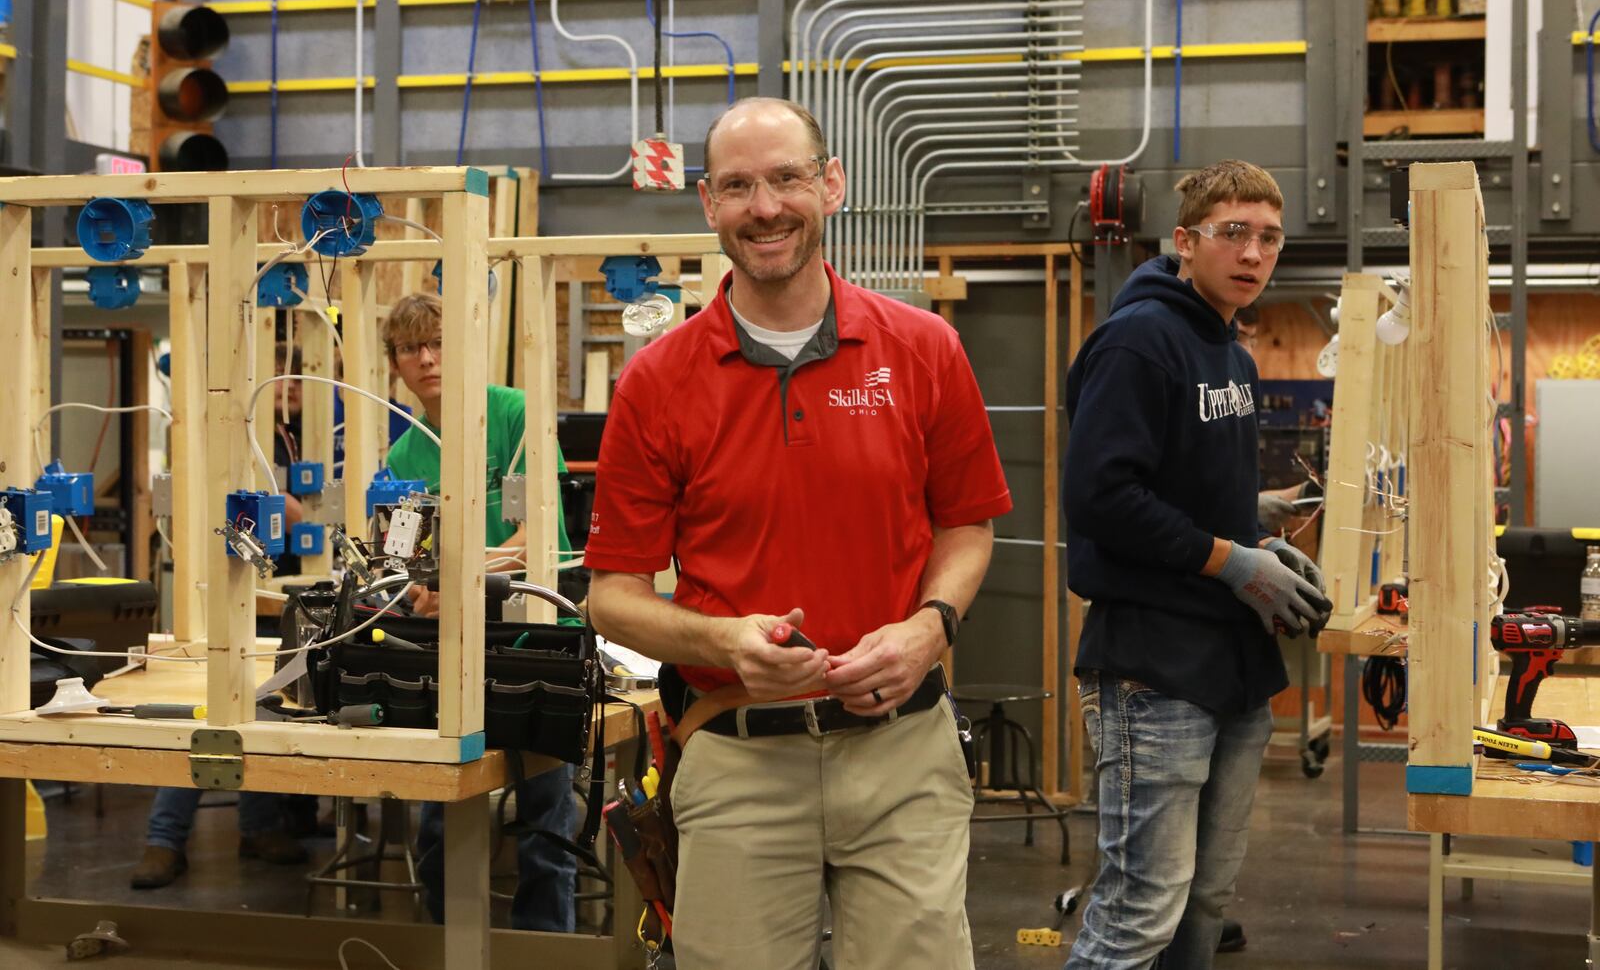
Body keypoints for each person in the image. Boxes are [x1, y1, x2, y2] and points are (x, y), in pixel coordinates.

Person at [586, 96, 1011, 969]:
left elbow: (966, 525)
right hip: (738, 759)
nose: (766, 206)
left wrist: (930, 630)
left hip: (903, 752)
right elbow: (611, 597)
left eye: (786, 177)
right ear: (708, 203)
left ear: (832, 184)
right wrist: (722, 638)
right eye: (739, 186)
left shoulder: (923, 348)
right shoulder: (656, 383)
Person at [1062, 159, 1331, 970]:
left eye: (1270, 238)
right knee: (1141, 909)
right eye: (1233, 233)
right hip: (1156, 669)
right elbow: (1101, 498)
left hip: (1234, 669)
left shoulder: (1234, 358)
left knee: (1203, 906)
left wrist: (1254, 522)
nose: (1254, 254)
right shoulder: (1139, 341)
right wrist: (1231, 559)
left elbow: (1179, 486)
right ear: (1185, 241)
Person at [380, 292, 580, 933]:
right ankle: (451, 945)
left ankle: (546, 950)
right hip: (454, 648)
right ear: (396, 364)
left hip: (538, 630)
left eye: (439, 342)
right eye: (411, 348)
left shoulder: (517, 414)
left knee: (545, 817)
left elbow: (536, 534)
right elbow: (403, 561)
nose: (428, 358)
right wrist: (413, 590)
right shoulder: (403, 457)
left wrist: (461, 583)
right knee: (440, 816)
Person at [131, 350, 313, 890]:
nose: (290, 389)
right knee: (207, 718)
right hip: (224, 599)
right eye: (279, 373)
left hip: (290, 602)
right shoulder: (225, 435)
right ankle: (164, 840)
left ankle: (257, 827)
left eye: (295, 377)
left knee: (260, 714)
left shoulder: (324, 431)